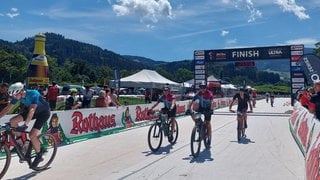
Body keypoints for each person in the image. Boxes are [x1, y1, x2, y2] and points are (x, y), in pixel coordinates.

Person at [0, 82, 50, 168]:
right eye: (13, 96)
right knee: (13, 121)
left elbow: (32, 110)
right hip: (32, 110)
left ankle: (39, 155)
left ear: (21, 92)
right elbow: (7, 109)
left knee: (32, 135)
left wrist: (25, 124)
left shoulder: (33, 93)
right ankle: (21, 144)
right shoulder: (17, 95)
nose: (14, 97)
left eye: (15, 95)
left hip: (43, 113)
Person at [187, 82, 214, 147]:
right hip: (201, 108)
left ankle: (209, 138)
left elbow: (212, 102)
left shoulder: (209, 93)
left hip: (208, 109)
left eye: (204, 87)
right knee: (194, 115)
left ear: (206, 88)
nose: (202, 89)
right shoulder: (198, 94)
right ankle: (199, 126)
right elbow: (192, 101)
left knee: (207, 123)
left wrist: (211, 110)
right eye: (201, 88)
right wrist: (188, 109)